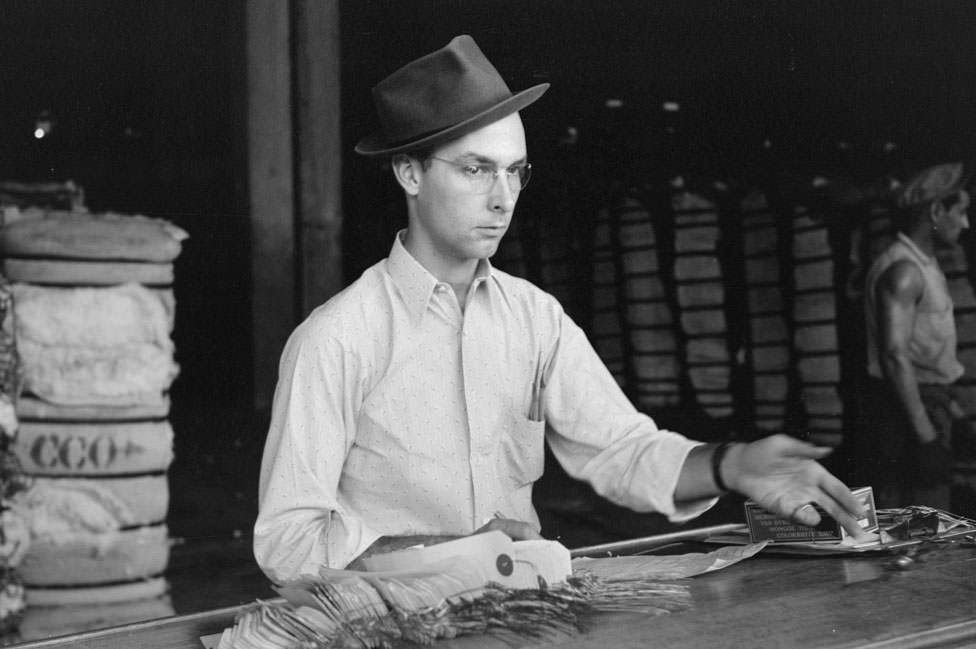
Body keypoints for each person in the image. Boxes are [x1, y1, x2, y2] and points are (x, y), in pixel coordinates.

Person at [253, 34, 864, 584]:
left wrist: (733, 466)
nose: (503, 199)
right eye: (476, 170)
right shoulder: (338, 339)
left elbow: (622, 450)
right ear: (409, 173)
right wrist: (449, 552)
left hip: (521, 616)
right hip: (392, 630)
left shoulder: (535, 319)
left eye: (516, 173)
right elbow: (287, 542)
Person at [859, 162, 971, 509]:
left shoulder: (924, 265)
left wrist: (953, 411)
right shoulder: (905, 271)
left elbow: (924, 351)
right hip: (907, 413)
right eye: (962, 212)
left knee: (931, 520)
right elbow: (895, 356)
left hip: (927, 406)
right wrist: (925, 437)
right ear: (936, 210)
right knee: (918, 523)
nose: (966, 223)